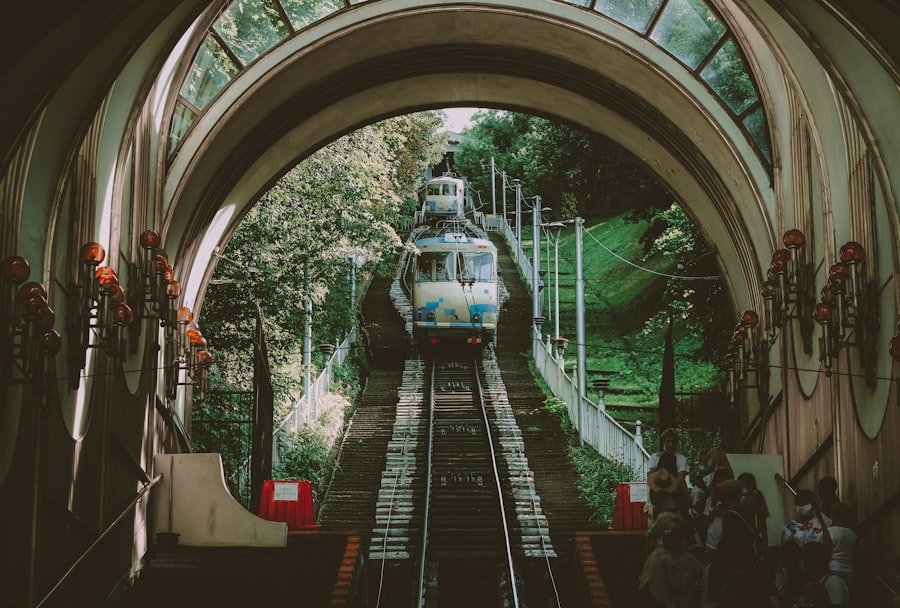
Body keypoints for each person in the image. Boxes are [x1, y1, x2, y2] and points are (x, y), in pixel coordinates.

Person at [707, 479, 761, 602]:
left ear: (725, 496)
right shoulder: (749, 511)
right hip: (749, 560)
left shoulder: (730, 516)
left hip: (735, 565)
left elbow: (728, 542)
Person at [639, 524, 704, 608]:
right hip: (669, 599)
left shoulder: (658, 555)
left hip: (659, 597)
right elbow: (702, 573)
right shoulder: (687, 558)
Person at [801, 541, 849, 608]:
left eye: (804, 559)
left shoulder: (833, 581)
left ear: (813, 560)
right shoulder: (819, 582)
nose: (802, 564)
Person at [826, 502, 857, 587]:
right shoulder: (853, 534)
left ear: (832, 515)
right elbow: (855, 555)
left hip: (833, 569)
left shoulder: (829, 532)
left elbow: (826, 553)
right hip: (849, 571)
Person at [738, 471, 770, 545]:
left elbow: (763, 520)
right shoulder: (738, 496)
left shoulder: (757, 495)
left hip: (754, 532)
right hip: (741, 532)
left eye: (743, 485)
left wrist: (765, 543)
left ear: (751, 485)